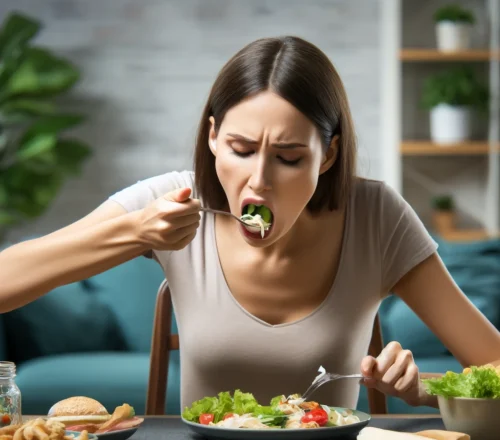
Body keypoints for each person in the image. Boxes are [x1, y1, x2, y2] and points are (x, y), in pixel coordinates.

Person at [0, 36, 499, 412]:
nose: (257, 182)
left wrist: (425, 388)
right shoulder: (171, 198)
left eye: (287, 157)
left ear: (328, 155)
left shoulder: (376, 216)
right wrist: (135, 232)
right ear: (214, 137)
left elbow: (493, 363)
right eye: (240, 150)